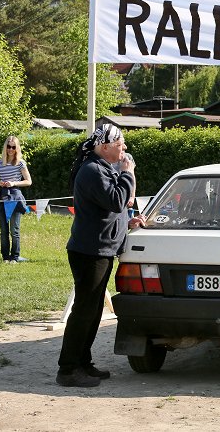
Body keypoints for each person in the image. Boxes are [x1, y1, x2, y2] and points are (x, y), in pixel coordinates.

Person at [56, 124, 146, 387]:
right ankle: (68, 369)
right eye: (121, 144)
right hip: (89, 252)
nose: (125, 148)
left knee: (93, 311)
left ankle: (83, 363)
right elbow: (117, 200)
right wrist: (128, 174)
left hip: (99, 249)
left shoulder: (102, 168)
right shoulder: (93, 170)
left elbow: (109, 211)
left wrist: (126, 224)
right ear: (105, 146)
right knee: (84, 311)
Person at [0, 136, 32, 264]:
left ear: (17, 148)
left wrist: (13, 183)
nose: (10, 149)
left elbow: (29, 181)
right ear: (5, 147)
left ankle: (15, 256)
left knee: (14, 230)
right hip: (2, 196)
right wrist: (1, 183)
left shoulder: (21, 163)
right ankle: (5, 257)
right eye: (8, 146)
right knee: (3, 229)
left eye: (13, 147)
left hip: (15, 196)